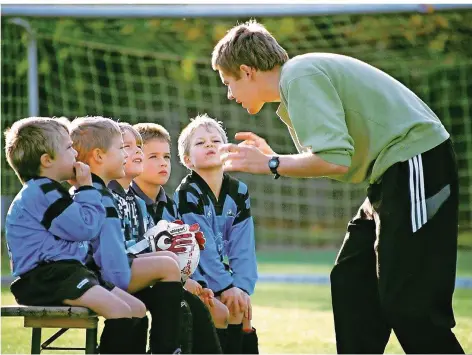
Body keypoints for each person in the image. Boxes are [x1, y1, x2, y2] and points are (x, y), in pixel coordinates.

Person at [212, 19, 465, 354]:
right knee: (352, 282)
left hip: (416, 162)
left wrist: (271, 164)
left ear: (247, 71)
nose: (230, 95)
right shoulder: (297, 83)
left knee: (410, 304)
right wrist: (275, 158)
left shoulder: (300, 76)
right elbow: (328, 158)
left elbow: (335, 161)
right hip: (390, 176)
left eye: (229, 82)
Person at [4, 117, 146, 354]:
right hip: (46, 278)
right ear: (47, 160)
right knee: (120, 312)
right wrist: (86, 188)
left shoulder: (49, 191)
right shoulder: (41, 192)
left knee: (137, 309)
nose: (75, 155)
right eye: (69, 148)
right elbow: (85, 227)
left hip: (68, 272)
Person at [69, 116, 183, 354]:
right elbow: (102, 252)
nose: (128, 154)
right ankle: (166, 349)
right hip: (97, 273)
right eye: (123, 148)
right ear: (100, 156)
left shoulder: (109, 194)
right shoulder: (93, 194)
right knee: (168, 266)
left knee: (167, 267)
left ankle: (165, 347)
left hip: (109, 267)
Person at [111, 121, 222, 354]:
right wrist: (183, 280)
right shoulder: (122, 198)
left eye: (166, 156)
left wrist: (196, 278)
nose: (162, 162)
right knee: (189, 308)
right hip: (138, 279)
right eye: (153, 156)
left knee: (218, 310)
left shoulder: (169, 206)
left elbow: (179, 254)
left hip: (161, 279)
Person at [174, 114, 259, 354]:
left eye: (215, 141)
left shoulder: (238, 191)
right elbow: (204, 247)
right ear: (188, 160)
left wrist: (241, 287)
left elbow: (244, 244)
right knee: (224, 308)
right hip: (195, 274)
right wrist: (225, 286)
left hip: (224, 278)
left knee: (241, 308)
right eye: (200, 143)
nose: (210, 144)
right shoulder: (188, 193)